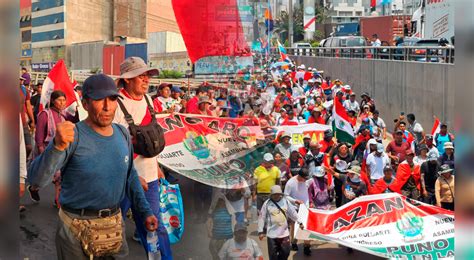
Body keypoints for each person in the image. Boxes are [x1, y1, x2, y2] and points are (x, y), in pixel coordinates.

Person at [27, 74, 158, 259]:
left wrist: (145, 212)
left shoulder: (123, 134)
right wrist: (56, 147)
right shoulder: (72, 136)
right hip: (75, 230)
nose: (107, 106)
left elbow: (130, 176)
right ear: (86, 104)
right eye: (99, 99)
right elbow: (36, 180)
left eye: (112, 99)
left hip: (114, 227)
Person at [113, 57, 173, 259]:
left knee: (155, 226)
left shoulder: (149, 101)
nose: (146, 80)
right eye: (141, 76)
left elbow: (150, 140)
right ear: (127, 79)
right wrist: (129, 174)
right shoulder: (114, 105)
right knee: (111, 228)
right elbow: (111, 147)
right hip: (121, 181)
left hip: (150, 179)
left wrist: (156, 166)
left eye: (147, 75)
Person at [29, 90, 72, 207]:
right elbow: (39, 136)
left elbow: (75, 121)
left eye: (64, 100)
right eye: (60, 100)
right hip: (46, 150)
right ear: (53, 101)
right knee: (43, 176)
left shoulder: (65, 115)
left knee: (59, 176)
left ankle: (57, 200)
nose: (62, 103)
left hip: (60, 151)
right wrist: (43, 152)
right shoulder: (45, 114)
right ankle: (33, 188)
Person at [258, 185, 298, 260]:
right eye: (274, 194)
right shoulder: (267, 203)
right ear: (271, 195)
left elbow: (293, 213)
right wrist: (260, 231)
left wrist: (300, 222)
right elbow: (261, 217)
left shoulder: (285, 202)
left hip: (284, 233)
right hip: (272, 234)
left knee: (286, 252)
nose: (276, 196)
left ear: (281, 194)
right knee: (273, 255)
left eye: (278, 194)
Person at [284, 168, 311, 255]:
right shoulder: (290, 183)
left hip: (305, 207)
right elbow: (286, 196)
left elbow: (307, 193)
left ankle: (307, 246)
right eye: (304, 178)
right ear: (300, 176)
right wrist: (295, 201)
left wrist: (308, 204)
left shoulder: (305, 181)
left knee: (306, 227)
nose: (305, 180)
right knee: (294, 226)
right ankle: (294, 242)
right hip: (294, 207)